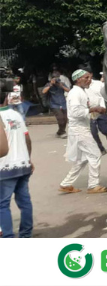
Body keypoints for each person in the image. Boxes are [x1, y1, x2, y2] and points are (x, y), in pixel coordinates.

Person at [58, 69, 107, 194]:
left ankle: (66, 184)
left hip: (81, 128)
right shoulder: (75, 93)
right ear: (78, 79)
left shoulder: (81, 91)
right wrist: (93, 109)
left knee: (82, 159)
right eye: (86, 78)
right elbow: (75, 112)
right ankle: (93, 185)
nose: (89, 80)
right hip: (79, 129)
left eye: (89, 77)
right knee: (95, 154)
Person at [0, 90, 33, 238]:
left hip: (5, 167)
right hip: (23, 164)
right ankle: (26, 235)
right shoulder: (16, 114)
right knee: (25, 201)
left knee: (3, 204)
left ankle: (8, 238)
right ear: (6, 99)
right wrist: (29, 159)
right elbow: (27, 139)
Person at [87, 72, 107, 159]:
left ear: (91, 74)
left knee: (105, 130)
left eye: (87, 76)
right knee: (93, 132)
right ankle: (100, 149)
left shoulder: (98, 84)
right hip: (89, 112)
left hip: (101, 110)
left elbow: (103, 96)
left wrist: (102, 107)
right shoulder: (81, 88)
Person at [42, 69, 70, 138]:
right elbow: (43, 92)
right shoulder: (48, 84)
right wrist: (51, 84)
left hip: (63, 103)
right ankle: (63, 132)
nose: (56, 79)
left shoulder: (61, 83)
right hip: (54, 104)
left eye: (57, 78)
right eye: (55, 78)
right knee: (60, 118)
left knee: (65, 119)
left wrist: (61, 85)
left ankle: (60, 132)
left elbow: (68, 90)